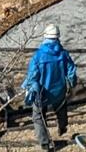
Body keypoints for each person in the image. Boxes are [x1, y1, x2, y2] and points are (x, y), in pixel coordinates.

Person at [22, 21, 78, 151]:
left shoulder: (38, 57)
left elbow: (32, 77)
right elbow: (71, 71)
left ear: (45, 37)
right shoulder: (64, 54)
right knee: (61, 107)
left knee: (38, 116)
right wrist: (71, 83)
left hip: (43, 93)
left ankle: (45, 143)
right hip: (59, 90)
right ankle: (63, 126)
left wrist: (32, 88)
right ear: (57, 37)